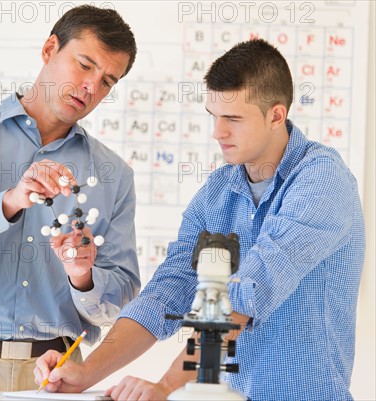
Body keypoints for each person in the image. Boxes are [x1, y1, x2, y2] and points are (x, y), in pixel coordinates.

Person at [35, 38, 366, 401]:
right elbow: (167, 293)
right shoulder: (218, 191)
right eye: (214, 116)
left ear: (276, 114)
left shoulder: (321, 180)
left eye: (233, 119)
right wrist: (85, 373)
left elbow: (246, 293)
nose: (217, 132)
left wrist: (164, 386)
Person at [0, 5, 141, 391]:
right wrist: (8, 202)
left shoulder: (115, 175)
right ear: (50, 48)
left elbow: (117, 298)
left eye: (107, 81)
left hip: (55, 375)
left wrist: (82, 277)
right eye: (84, 65)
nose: (91, 87)